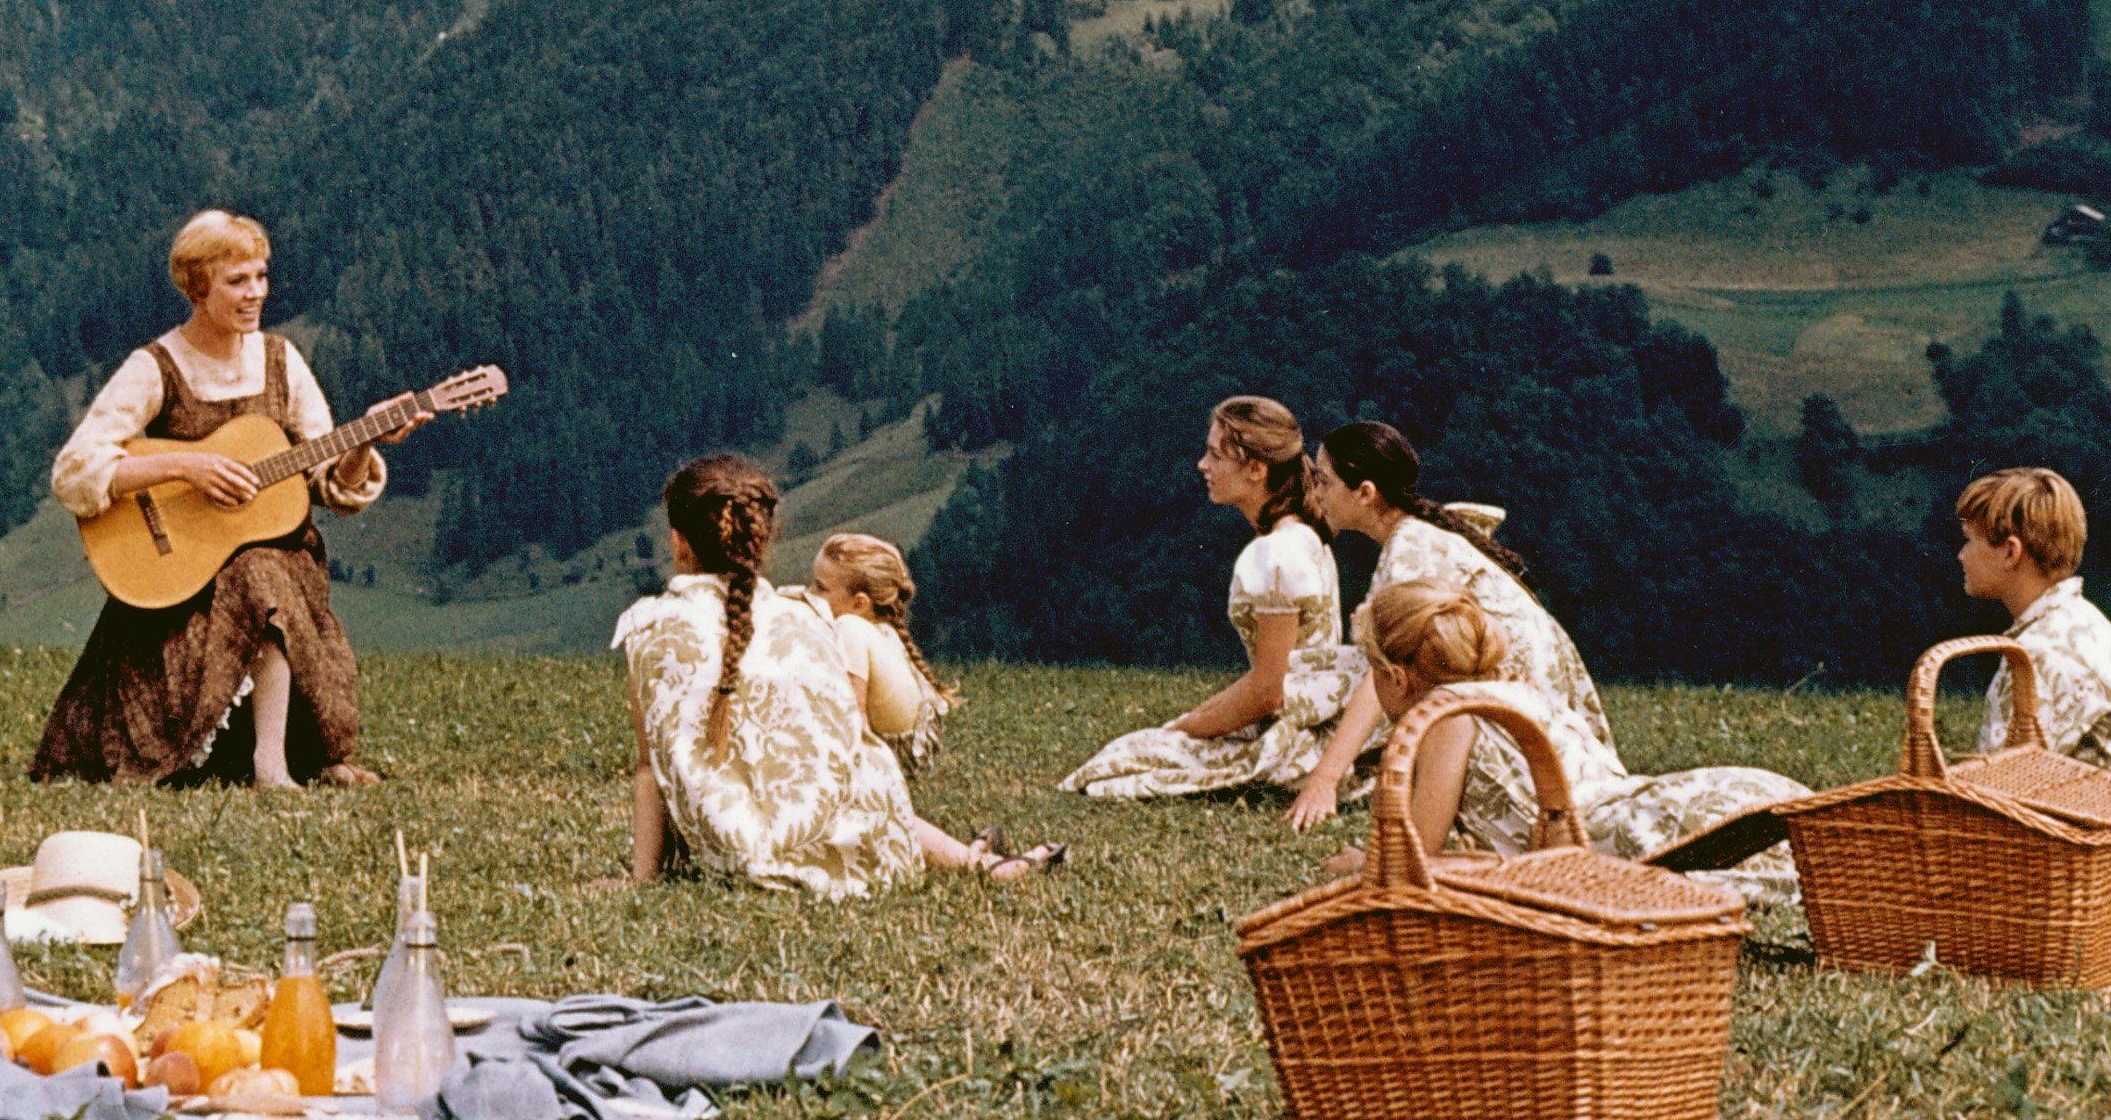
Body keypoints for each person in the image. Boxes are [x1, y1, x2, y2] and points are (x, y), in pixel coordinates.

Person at [32, 210, 422, 788]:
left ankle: (275, 758)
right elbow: (74, 471)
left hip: (283, 571)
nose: (255, 293)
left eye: (261, 277)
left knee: (264, 570)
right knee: (257, 574)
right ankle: (267, 765)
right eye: (237, 281)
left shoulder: (280, 361)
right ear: (198, 286)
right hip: (184, 586)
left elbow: (329, 483)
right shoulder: (155, 366)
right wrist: (185, 467)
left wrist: (362, 443)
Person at [615, 456, 1061, 895]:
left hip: (741, 856)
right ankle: (977, 863)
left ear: (679, 543)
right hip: (865, 850)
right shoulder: (807, 619)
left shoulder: (649, 629)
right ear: (762, 540)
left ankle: (978, 860)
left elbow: (650, 769)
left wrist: (643, 879)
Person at [1318, 580, 1806, 895]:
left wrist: (1363, 864)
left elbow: (1413, 862)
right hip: (1692, 801)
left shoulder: (1445, 717)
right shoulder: (1517, 693)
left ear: (1396, 677)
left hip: (1645, 836)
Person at [1288, 418, 1614, 831]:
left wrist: (1325, 778)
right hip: (1504, 694)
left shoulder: (1412, 548)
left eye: (1324, 481)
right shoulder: (1412, 538)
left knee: (1320, 685)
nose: (1316, 494)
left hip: (1508, 708)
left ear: (1365, 493)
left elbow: (1385, 670)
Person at [1062, 395, 1354, 799]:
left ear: (1256, 469)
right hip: (1310, 724)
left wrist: (1189, 727)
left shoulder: (1275, 553)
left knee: (1113, 766)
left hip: (1290, 741)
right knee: (1132, 752)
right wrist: (1195, 719)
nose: (1203, 465)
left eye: (1216, 456)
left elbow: (1270, 689)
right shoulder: (1303, 535)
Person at [1957, 466, 2111, 764]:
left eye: (1970, 539)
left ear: (2010, 553)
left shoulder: (2034, 656)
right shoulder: (2089, 624)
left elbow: (1998, 791)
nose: (1961, 555)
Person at [805, 532, 957, 774]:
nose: (810, 592)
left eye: (820, 587)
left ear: (859, 604)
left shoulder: (850, 628)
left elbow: (853, 715)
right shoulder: (883, 627)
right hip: (915, 750)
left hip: (891, 761)